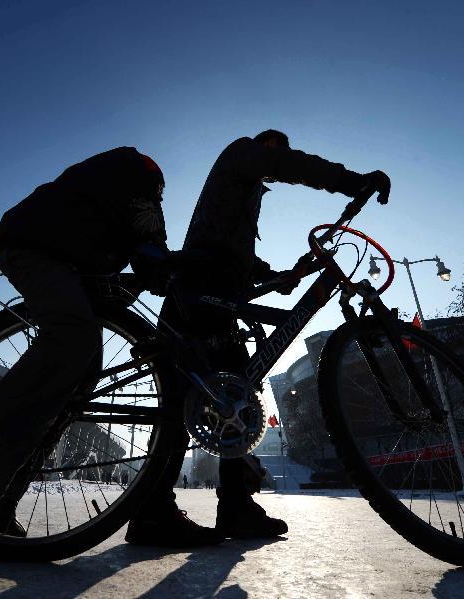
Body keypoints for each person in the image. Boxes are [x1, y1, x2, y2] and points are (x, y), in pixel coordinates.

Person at [0, 147, 171, 593]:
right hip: (34, 246)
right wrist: (167, 264)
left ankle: (0, 492)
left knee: (81, 375)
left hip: (72, 265)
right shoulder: (133, 173)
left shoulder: (124, 201)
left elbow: (144, 255)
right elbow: (148, 246)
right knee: (70, 337)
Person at [126, 129, 390, 546]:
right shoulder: (240, 154)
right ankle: (156, 512)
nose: (279, 159)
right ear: (266, 146)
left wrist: (276, 275)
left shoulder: (243, 195)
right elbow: (288, 168)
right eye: (277, 152)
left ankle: (233, 507)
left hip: (216, 291)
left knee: (237, 399)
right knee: (185, 403)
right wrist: (351, 181)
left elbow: (230, 250)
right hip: (199, 291)